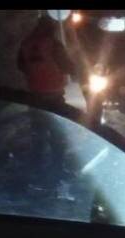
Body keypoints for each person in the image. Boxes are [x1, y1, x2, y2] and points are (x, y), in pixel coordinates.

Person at [17, 16, 76, 182]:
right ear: (51, 29)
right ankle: (58, 169)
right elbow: (68, 66)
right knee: (58, 135)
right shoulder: (53, 45)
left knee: (38, 133)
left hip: (34, 95)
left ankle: (36, 169)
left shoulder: (26, 44)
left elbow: (20, 65)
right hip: (54, 95)